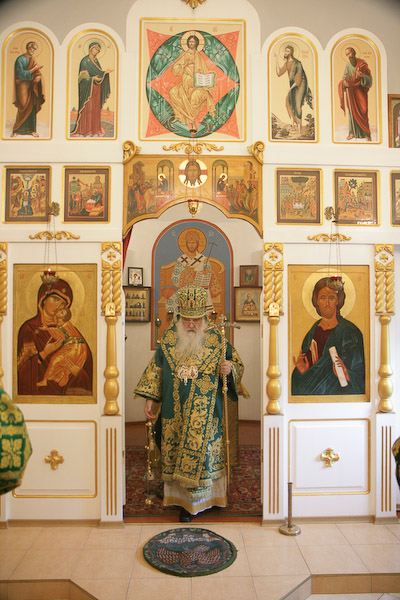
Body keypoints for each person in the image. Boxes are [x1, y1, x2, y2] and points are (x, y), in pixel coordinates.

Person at [135, 284, 244, 522]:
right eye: (187, 320)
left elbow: (236, 365)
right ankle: (181, 501)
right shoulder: (169, 339)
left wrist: (230, 369)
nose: (192, 325)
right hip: (174, 411)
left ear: (204, 317)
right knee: (175, 452)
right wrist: (150, 399)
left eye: (196, 320)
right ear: (179, 317)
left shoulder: (217, 339)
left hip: (208, 413)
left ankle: (209, 501)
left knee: (205, 456)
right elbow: (156, 369)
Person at [17, 278, 93, 396]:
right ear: (43, 299)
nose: (58, 306)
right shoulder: (29, 329)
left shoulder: (71, 331)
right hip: (37, 396)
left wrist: (76, 371)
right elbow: (22, 371)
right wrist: (44, 353)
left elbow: (86, 367)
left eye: (62, 303)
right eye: (55, 299)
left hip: (67, 394)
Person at [291, 277, 365, 396]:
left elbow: (361, 373)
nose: (327, 303)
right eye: (323, 298)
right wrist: (302, 371)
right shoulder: (312, 333)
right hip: (312, 399)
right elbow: (303, 379)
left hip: (340, 396)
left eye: (331, 298)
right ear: (316, 301)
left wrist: (347, 374)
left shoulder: (350, 332)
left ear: (337, 300)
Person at [169, 33, 216, 131]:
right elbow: (176, 68)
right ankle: (179, 116)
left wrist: (210, 75)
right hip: (185, 82)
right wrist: (182, 65)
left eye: (193, 42)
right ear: (187, 43)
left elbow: (204, 70)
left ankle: (192, 121)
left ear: (196, 43)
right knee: (173, 92)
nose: (191, 43)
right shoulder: (185, 54)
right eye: (190, 42)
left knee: (194, 98)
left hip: (196, 83)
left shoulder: (199, 57)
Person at [36, 307, 89, 388]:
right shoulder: (60, 323)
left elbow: (58, 332)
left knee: (55, 359)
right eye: (60, 311)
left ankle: (45, 380)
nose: (59, 311)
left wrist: (46, 329)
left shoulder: (65, 324)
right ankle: (47, 379)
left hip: (74, 347)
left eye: (62, 312)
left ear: (64, 317)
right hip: (71, 346)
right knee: (57, 361)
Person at [71, 41, 112, 137]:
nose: (97, 51)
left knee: (95, 109)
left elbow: (99, 73)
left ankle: (95, 129)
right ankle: (86, 130)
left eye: (98, 50)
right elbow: (81, 77)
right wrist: (92, 79)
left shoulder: (96, 61)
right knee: (88, 108)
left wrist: (105, 73)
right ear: (90, 49)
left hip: (96, 88)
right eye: (95, 49)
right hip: (87, 90)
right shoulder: (85, 61)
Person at [274, 45, 313, 136]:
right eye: (285, 51)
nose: (285, 53)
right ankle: (293, 126)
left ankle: (299, 129)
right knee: (288, 101)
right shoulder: (287, 63)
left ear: (291, 53)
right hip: (292, 85)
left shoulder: (297, 63)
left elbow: (298, 79)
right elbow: (279, 73)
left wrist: (290, 88)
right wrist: (276, 60)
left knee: (297, 105)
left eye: (287, 51)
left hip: (300, 85)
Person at [11, 41, 45, 138]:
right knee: (23, 107)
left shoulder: (32, 59)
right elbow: (20, 74)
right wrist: (33, 70)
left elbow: (37, 72)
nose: (33, 50)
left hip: (32, 87)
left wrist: (38, 76)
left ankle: (31, 130)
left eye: (35, 49)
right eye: (32, 48)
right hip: (22, 86)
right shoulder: (20, 59)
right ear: (28, 48)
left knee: (32, 107)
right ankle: (16, 130)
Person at [338, 47, 372, 141]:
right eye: (347, 54)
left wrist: (363, 76)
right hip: (351, 91)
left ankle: (366, 134)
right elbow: (345, 76)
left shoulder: (362, 64)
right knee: (352, 112)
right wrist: (344, 82)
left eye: (349, 53)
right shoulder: (348, 65)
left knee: (363, 111)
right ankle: (352, 133)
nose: (349, 56)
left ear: (354, 52)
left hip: (360, 91)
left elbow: (370, 80)